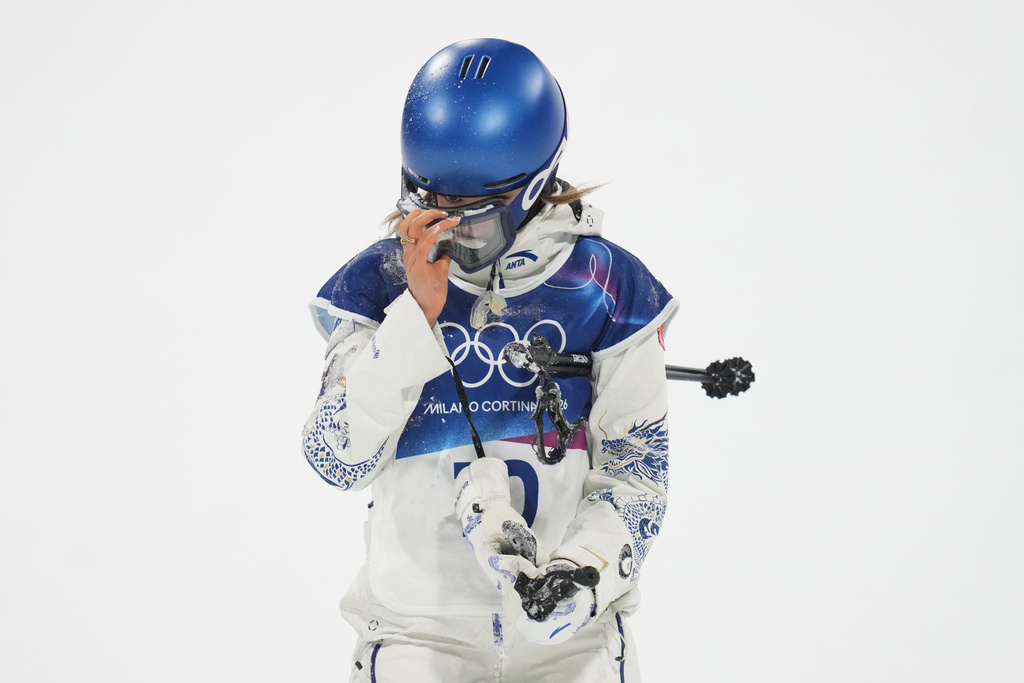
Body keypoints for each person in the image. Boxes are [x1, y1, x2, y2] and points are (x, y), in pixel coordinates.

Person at [302, 38, 677, 682]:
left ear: (534, 188)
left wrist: (582, 573)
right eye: (429, 210)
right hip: (416, 636)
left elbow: (639, 482)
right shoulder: (379, 284)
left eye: (474, 220)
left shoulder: (611, 293)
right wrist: (413, 321)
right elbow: (335, 459)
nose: (450, 238)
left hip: (571, 644)